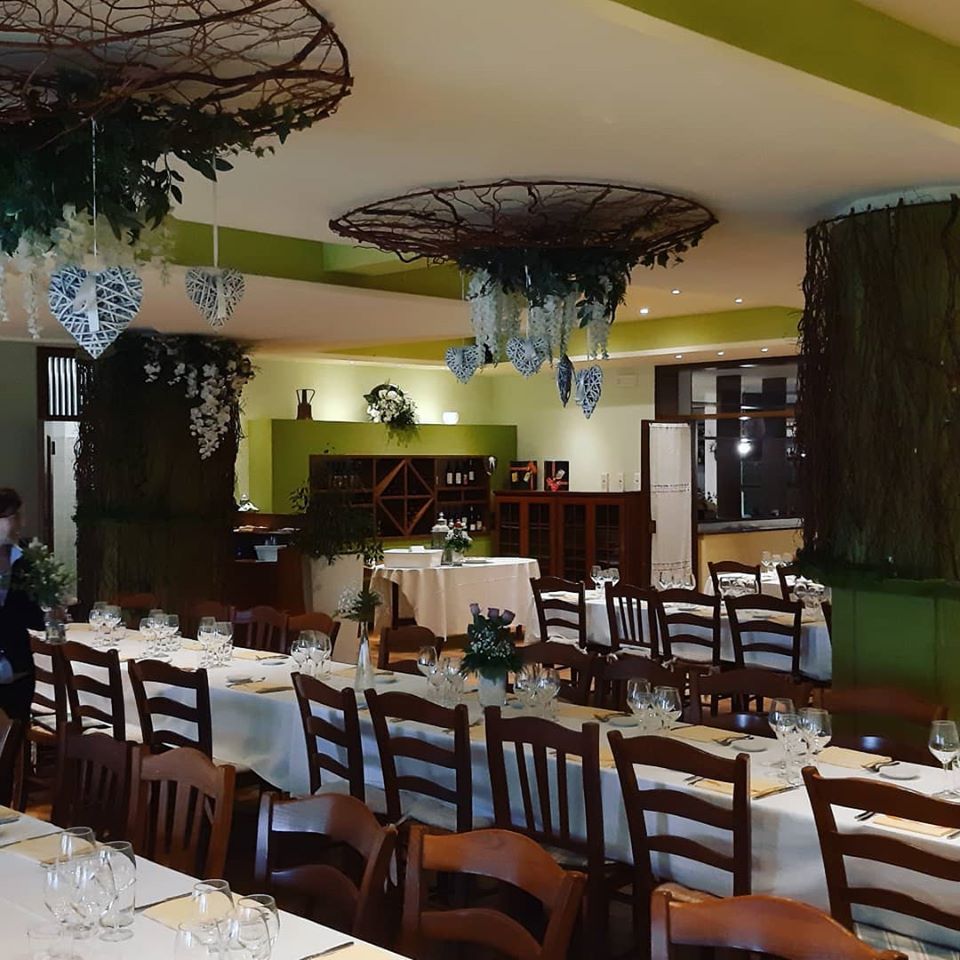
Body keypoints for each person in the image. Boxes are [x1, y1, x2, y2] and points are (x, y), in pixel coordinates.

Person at [0, 488, 43, 720]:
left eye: (20, 516)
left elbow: (34, 617)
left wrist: (50, 613)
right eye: (14, 517)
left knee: (16, 732)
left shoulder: (26, 561)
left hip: (17, 668)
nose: (21, 524)